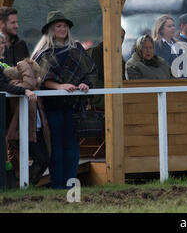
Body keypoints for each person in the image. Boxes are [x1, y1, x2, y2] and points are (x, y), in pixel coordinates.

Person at [32, 10, 97, 189]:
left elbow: (91, 71)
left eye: (65, 26)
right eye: (58, 26)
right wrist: (59, 87)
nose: (62, 29)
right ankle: (57, 186)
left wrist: (85, 84)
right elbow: (40, 79)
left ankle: (70, 186)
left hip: (74, 108)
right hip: (51, 107)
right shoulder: (43, 53)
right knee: (56, 147)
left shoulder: (77, 48)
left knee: (72, 147)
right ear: (51, 30)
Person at [0, 33, 49, 186]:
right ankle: (21, 185)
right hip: (14, 122)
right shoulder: (6, 69)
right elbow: (4, 85)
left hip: (21, 120)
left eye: (2, 43)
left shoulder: (5, 65)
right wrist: (24, 90)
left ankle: (22, 185)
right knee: (39, 159)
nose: (1, 46)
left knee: (43, 159)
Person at [88, 27, 126, 111]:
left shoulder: (119, 56)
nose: (120, 39)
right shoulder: (96, 52)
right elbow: (94, 80)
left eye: (122, 37)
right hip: (100, 99)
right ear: (108, 36)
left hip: (116, 96)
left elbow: (123, 79)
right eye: (117, 36)